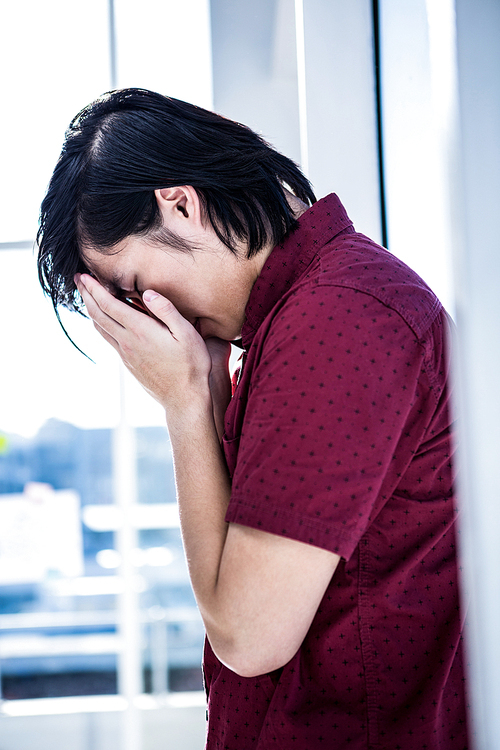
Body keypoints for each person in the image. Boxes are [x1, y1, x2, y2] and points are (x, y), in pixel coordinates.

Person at [37, 88, 468, 749]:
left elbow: (249, 635)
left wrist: (182, 405)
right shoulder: (301, 318)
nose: (148, 317)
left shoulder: (335, 319)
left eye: (131, 288)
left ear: (180, 204)